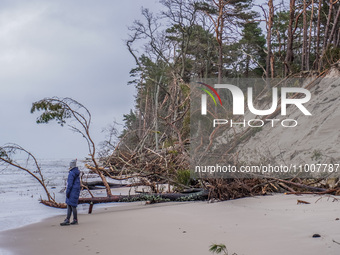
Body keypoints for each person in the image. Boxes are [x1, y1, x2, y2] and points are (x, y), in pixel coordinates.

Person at [60, 159, 81, 226]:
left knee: (72, 205)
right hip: (76, 190)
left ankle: (74, 220)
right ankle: (68, 219)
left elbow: (70, 184)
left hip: (73, 190)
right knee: (70, 204)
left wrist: (67, 192)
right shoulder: (76, 172)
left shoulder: (72, 173)